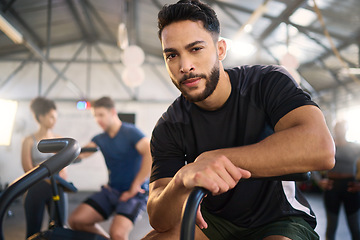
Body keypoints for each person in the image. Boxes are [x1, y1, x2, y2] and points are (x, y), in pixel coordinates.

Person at [142, 1, 336, 239]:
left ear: (220, 49)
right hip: (213, 222)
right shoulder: (169, 125)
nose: (185, 66)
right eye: (172, 55)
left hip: (278, 219)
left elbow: (321, 149)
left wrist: (212, 159)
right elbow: (158, 218)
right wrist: (181, 181)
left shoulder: (266, 82)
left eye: (195, 49)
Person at [68, 96, 152, 240]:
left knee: (118, 234)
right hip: (111, 191)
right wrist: (62, 153)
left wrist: (135, 185)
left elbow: (150, 154)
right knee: (76, 220)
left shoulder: (131, 132)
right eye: (95, 116)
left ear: (112, 112)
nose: (97, 120)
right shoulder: (100, 138)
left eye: (101, 115)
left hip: (134, 193)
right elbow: (80, 154)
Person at [21, 97, 68, 238]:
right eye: (51, 117)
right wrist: (51, 178)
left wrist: (61, 178)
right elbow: (27, 168)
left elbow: (64, 167)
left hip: (57, 187)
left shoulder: (59, 138)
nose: (54, 121)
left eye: (56, 117)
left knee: (59, 230)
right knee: (33, 231)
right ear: (41, 117)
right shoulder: (29, 140)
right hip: (36, 188)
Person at [317, 120, 360, 240]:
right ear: (334, 129)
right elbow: (311, 163)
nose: (340, 130)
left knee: (355, 228)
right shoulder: (327, 145)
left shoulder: (355, 147)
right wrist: (320, 181)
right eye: (338, 127)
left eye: (342, 127)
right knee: (331, 228)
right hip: (332, 186)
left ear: (347, 129)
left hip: (350, 187)